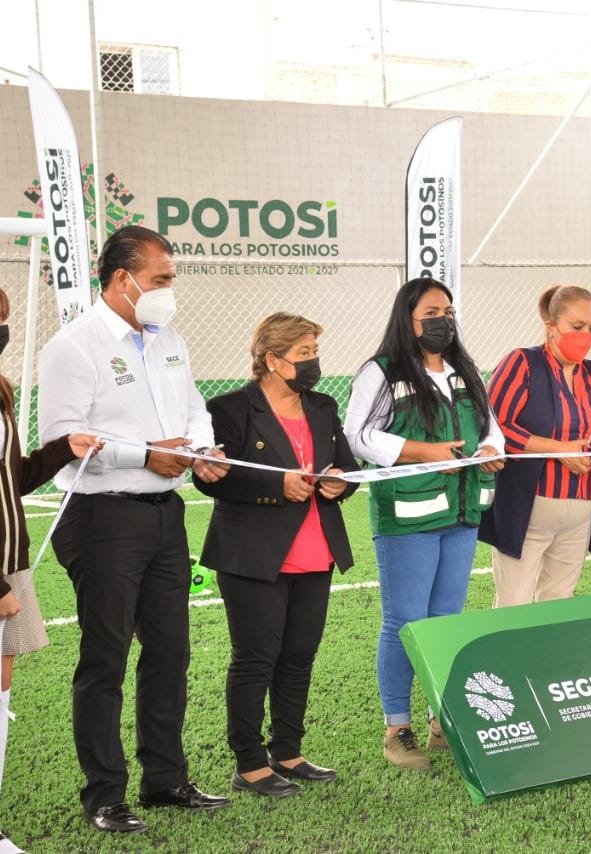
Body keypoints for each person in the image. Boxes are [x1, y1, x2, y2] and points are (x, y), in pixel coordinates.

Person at [38, 225, 231, 833]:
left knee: (171, 651)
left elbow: (193, 404)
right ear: (123, 279)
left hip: (164, 515)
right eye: (161, 279)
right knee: (106, 658)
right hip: (102, 517)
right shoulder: (73, 346)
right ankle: (104, 795)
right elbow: (60, 444)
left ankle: (165, 780)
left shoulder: (168, 337)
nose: (170, 290)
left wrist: (201, 447)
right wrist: (144, 454)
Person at [194, 313, 359, 798]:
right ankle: (249, 764)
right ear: (272, 359)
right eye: (305, 353)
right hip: (254, 555)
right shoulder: (228, 408)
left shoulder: (325, 406)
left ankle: (287, 751)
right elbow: (214, 478)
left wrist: (338, 483)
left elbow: (347, 466)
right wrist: (276, 485)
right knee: (255, 659)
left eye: (314, 352)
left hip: (316, 550)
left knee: (299, 657)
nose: (314, 362)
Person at [343, 278, 505, 772]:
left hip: (462, 511)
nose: (443, 320)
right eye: (432, 312)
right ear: (407, 318)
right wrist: (422, 453)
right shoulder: (382, 372)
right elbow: (357, 435)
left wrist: (493, 448)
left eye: (449, 311)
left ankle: (441, 721)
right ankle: (397, 728)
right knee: (404, 621)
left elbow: (489, 422)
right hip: (409, 516)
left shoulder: (464, 370)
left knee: (446, 619)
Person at [0, 288, 102, 853]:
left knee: (1, 695)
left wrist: (64, 447)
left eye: (4, 321)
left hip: (9, 565)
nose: (4, 331)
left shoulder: (1, 391)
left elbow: (10, 477)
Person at [481, 285, 591, 606]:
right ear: (551, 327)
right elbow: (493, 427)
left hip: (581, 508)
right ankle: (505, 657)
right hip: (528, 506)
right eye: (577, 327)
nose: (587, 335)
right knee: (514, 602)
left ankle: (545, 657)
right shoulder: (522, 363)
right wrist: (557, 448)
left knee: (559, 600)